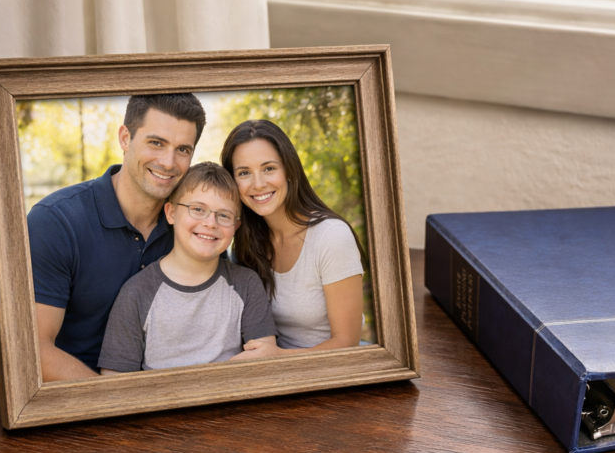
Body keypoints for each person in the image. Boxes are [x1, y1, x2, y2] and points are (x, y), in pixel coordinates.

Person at [28, 94, 206, 382]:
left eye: (183, 149)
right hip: (78, 399)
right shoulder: (55, 222)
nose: (168, 162)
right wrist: (115, 403)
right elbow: (34, 349)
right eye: (156, 142)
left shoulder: (195, 225)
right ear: (125, 138)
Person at [97, 163, 277, 373]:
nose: (211, 223)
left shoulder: (245, 285)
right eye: (198, 209)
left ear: (235, 227)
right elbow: (115, 382)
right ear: (171, 213)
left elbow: (265, 366)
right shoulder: (137, 293)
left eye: (224, 215)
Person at [220, 120, 364, 358]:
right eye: (244, 173)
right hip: (272, 375)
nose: (258, 184)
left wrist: (279, 358)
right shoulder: (245, 242)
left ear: (289, 170)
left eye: (269, 168)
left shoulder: (331, 237)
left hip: (329, 373)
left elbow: (348, 343)